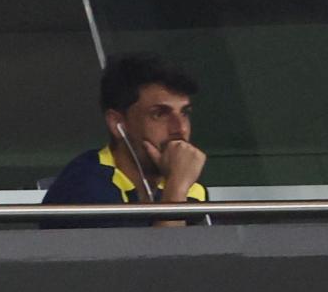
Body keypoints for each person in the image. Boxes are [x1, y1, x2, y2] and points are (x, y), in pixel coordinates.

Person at [42, 53, 206, 228]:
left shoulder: (189, 187)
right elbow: (163, 247)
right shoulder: (84, 186)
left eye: (184, 113)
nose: (180, 128)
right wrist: (176, 189)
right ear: (117, 123)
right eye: (159, 114)